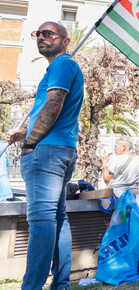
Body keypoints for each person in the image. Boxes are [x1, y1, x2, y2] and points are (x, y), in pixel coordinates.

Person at [6, 21, 84, 290]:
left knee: (41, 218)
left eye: (49, 33)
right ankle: (60, 285)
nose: (41, 37)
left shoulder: (63, 64)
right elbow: (56, 112)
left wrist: (31, 141)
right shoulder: (61, 67)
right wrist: (26, 132)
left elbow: (54, 103)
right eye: (38, 33)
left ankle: (31, 286)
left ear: (65, 40)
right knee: (57, 217)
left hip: (47, 151)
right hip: (61, 148)